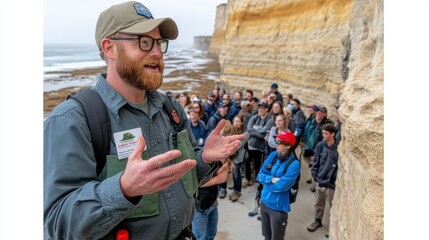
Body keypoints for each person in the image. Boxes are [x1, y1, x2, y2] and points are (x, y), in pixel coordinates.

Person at [43, 2, 244, 239]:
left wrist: (204, 159)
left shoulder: (171, 109)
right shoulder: (72, 121)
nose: (157, 52)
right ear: (109, 48)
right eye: (144, 41)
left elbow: (183, 181)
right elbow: (57, 225)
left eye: (159, 43)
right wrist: (123, 189)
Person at [258, 131, 300, 240]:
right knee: (266, 235)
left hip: (277, 208)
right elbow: (260, 175)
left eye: (280, 142)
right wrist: (271, 179)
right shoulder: (273, 155)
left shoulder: (294, 164)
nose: (277, 144)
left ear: (288, 146)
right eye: (277, 141)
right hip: (264, 202)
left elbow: (282, 186)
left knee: (276, 237)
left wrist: (266, 183)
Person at [306, 123, 339, 238]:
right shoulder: (320, 146)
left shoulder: (338, 148)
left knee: (332, 206)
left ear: (333, 134)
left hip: (332, 184)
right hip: (320, 180)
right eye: (323, 133)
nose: (323, 135)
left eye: (326, 133)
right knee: (318, 203)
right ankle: (317, 221)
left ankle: (332, 226)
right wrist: (315, 176)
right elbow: (315, 162)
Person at [193, 161, 229, 240]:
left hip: (213, 203)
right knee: (200, 237)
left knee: (211, 233)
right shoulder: (193, 155)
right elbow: (194, 183)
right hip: (198, 207)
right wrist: (218, 179)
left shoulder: (216, 158)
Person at [244, 101, 274, 188]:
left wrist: (256, 128)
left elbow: (265, 131)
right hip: (250, 145)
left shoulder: (270, 120)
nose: (260, 109)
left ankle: (258, 181)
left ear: (267, 109)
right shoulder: (254, 117)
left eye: (263, 108)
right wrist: (259, 133)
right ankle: (247, 178)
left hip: (260, 147)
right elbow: (249, 129)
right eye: (259, 108)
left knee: (258, 164)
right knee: (247, 162)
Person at [228, 114, 249, 202]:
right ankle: (235, 187)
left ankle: (237, 191)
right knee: (233, 172)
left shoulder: (245, 134)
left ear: (242, 122)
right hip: (232, 155)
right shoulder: (232, 131)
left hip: (239, 156)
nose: (235, 123)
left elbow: (237, 146)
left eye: (237, 121)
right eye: (234, 121)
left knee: (237, 174)